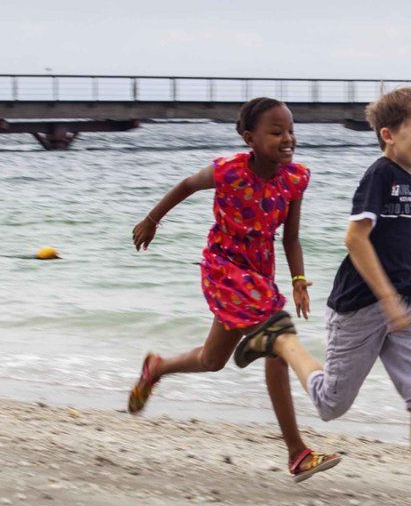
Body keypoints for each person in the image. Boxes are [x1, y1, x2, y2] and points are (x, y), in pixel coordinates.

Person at [234, 87, 411, 506]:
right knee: (331, 405)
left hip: (401, 304)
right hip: (362, 305)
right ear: (388, 135)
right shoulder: (380, 175)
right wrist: (385, 297)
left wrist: (397, 298)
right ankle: (282, 340)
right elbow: (355, 239)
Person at [126, 97, 341, 482]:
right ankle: (297, 452)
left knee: (212, 360)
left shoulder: (294, 179)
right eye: (276, 132)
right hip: (224, 270)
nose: (287, 138)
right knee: (278, 340)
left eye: (291, 130)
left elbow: (291, 239)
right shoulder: (228, 171)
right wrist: (151, 220)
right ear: (250, 138)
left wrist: (299, 282)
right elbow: (187, 185)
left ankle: (158, 368)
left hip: (260, 276)